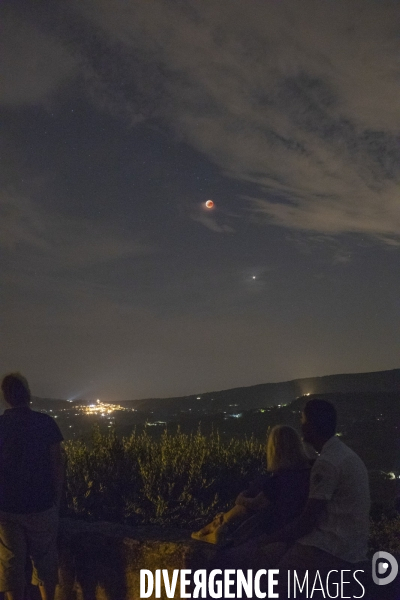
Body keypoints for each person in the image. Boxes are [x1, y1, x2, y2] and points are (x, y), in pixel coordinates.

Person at [260, 399, 370, 597]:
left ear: (310, 426)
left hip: (330, 550)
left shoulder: (327, 463)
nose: (300, 425)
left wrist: (268, 539)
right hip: (354, 548)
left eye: (302, 420)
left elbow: (307, 520)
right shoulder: (344, 455)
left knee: (271, 584)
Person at [0, 373, 64, 600]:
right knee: (45, 560)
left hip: (6, 509)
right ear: (27, 394)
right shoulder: (45, 423)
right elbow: (57, 465)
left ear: (6, 397)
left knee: (11, 564)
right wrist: (56, 501)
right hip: (41, 505)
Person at [191, 425, 312, 545]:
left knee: (248, 505)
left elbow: (256, 504)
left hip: (281, 527)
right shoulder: (307, 471)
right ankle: (218, 527)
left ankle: (215, 528)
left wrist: (240, 498)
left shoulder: (280, 479)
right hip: (297, 521)